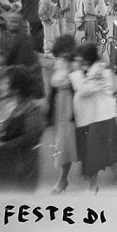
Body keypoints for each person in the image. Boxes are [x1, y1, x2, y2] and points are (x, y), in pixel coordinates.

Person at [0, 65, 46, 192]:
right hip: (0, 170)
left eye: (5, 82)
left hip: (21, 171)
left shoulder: (32, 110)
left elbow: (29, 139)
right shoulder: (7, 106)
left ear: (16, 87)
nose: (1, 85)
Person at [70, 42, 117, 193]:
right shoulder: (87, 71)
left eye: (82, 60)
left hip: (101, 117)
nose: (79, 63)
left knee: (92, 154)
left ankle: (92, 187)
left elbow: (85, 90)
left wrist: (80, 75)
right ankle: (114, 173)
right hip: (86, 117)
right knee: (100, 151)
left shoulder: (101, 72)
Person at [48, 34, 79, 194]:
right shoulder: (58, 63)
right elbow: (52, 87)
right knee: (63, 144)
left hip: (72, 108)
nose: (63, 56)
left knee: (67, 144)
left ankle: (62, 179)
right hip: (59, 107)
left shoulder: (76, 65)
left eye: (65, 52)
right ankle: (63, 178)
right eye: (61, 53)